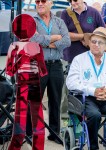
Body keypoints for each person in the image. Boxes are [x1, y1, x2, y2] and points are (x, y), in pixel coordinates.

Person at [66, 27, 106, 150]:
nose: (96, 45)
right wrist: (92, 91)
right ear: (89, 42)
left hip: (105, 97)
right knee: (94, 115)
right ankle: (93, 147)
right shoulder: (79, 59)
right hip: (86, 98)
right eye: (93, 41)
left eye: (100, 42)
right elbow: (71, 82)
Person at [30, 0, 71, 143]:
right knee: (35, 100)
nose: (39, 4)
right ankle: (30, 133)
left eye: (43, 1)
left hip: (56, 66)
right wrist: (54, 39)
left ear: (51, 3)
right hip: (37, 65)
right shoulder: (31, 21)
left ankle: (54, 133)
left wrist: (47, 44)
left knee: (55, 100)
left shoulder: (59, 21)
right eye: (37, 1)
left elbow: (67, 41)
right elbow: (33, 39)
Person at [6, 14, 47, 150]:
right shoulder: (31, 46)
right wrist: (25, 58)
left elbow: (10, 71)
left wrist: (23, 59)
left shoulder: (15, 46)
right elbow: (42, 71)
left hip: (27, 85)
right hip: (27, 85)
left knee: (27, 120)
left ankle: (19, 147)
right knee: (33, 121)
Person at [60, 0, 105, 118]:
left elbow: (103, 33)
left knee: (90, 89)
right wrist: (84, 36)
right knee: (68, 92)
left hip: (91, 60)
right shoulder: (66, 13)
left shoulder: (94, 12)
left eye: (75, 0)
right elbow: (63, 35)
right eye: (70, 1)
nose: (73, 3)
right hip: (70, 58)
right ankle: (67, 120)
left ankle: (90, 116)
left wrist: (92, 40)